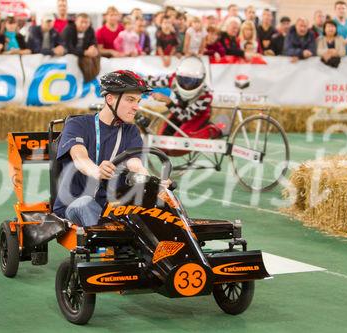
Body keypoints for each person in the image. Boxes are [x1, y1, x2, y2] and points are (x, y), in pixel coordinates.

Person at [53, 70, 151, 226]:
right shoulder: (77, 125)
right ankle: (108, 248)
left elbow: (135, 164)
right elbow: (80, 158)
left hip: (112, 208)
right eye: (130, 100)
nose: (136, 107)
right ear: (110, 99)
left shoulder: (131, 131)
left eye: (138, 101)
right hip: (74, 204)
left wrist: (154, 183)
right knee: (85, 203)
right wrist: (96, 171)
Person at [145, 56, 221, 140]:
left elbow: (185, 117)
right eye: (183, 80)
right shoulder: (172, 78)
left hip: (197, 116)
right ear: (178, 76)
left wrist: (168, 101)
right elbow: (150, 80)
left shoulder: (206, 95)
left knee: (178, 142)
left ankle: (212, 129)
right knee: (162, 139)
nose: (187, 85)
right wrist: (132, 80)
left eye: (192, 81)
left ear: (201, 79)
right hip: (179, 109)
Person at [62, 13, 100, 82]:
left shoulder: (90, 30)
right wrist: (84, 52)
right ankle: (83, 81)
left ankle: (93, 79)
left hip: (85, 53)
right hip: (71, 54)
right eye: (82, 22)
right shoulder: (68, 29)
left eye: (86, 22)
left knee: (96, 56)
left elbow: (94, 42)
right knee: (84, 61)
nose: (84, 25)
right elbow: (67, 48)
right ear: (76, 21)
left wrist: (93, 48)